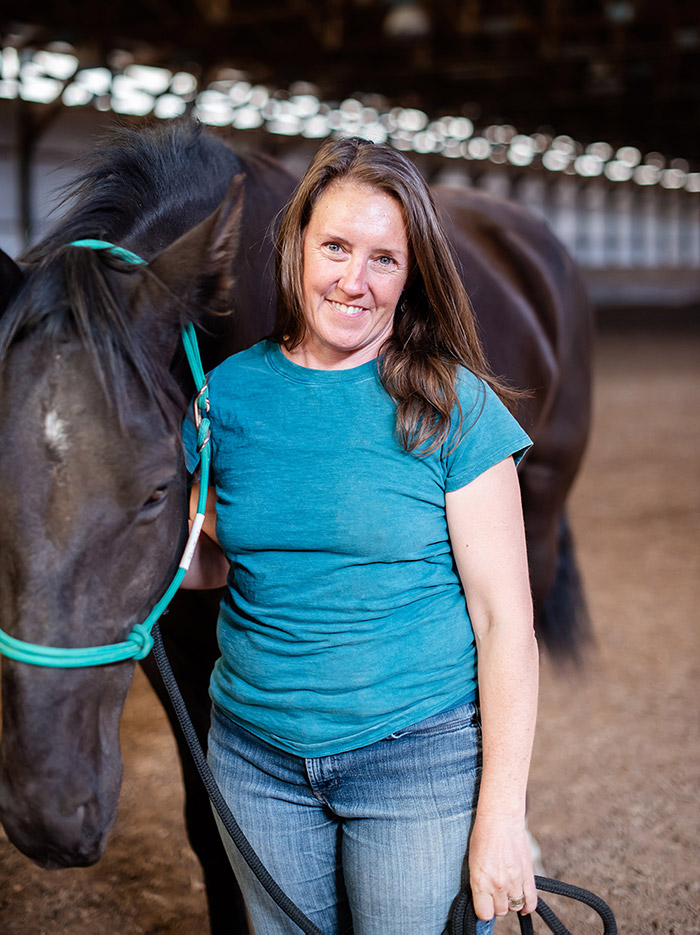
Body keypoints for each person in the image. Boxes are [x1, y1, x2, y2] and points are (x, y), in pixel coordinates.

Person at [182, 136, 539, 935]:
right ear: (297, 246)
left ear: (412, 275)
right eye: (336, 247)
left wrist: (502, 816)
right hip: (253, 755)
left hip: (416, 757)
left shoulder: (454, 405)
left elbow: (505, 623)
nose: (354, 280)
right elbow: (213, 566)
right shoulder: (225, 397)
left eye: (384, 259)